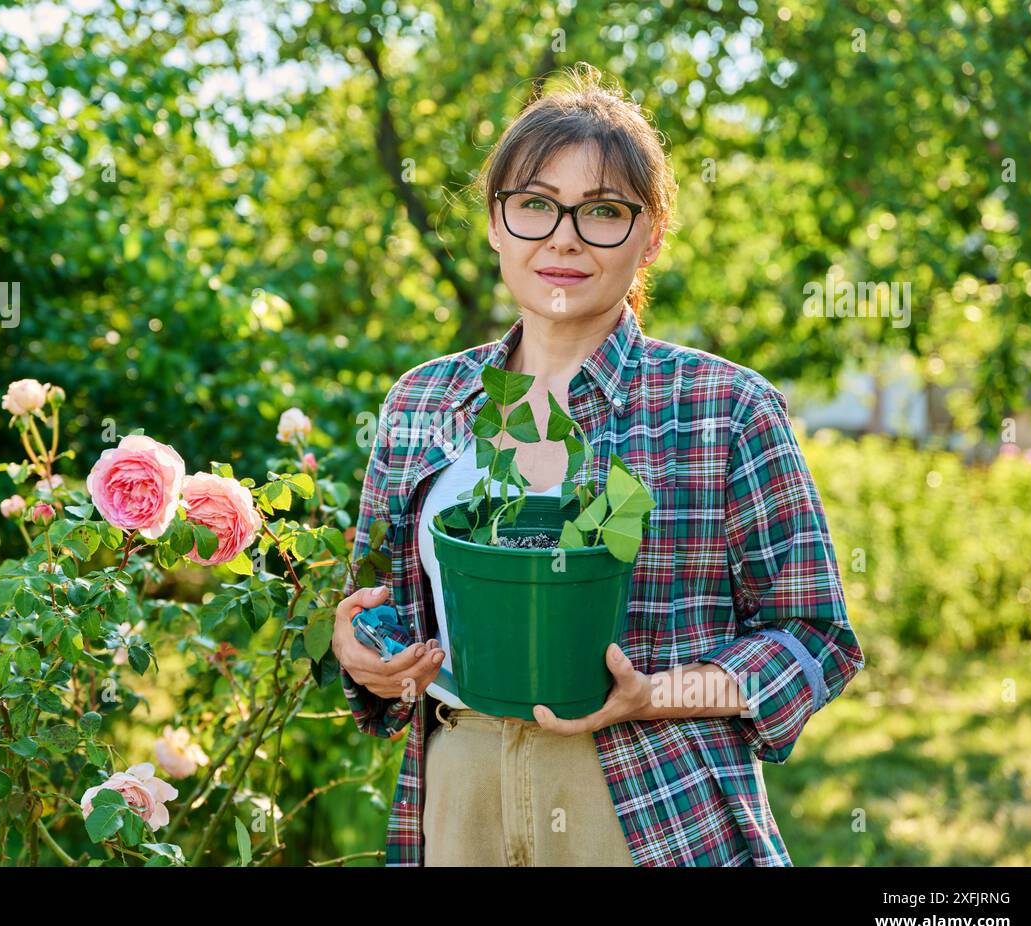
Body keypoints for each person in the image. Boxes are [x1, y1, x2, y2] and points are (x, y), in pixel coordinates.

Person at [332, 62, 864, 866]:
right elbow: (379, 609)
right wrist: (364, 654)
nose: (564, 237)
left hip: (647, 806)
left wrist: (656, 696)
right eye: (536, 205)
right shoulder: (420, 402)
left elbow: (815, 638)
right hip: (458, 796)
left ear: (650, 237)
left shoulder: (723, 406)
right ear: (495, 224)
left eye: (604, 212)